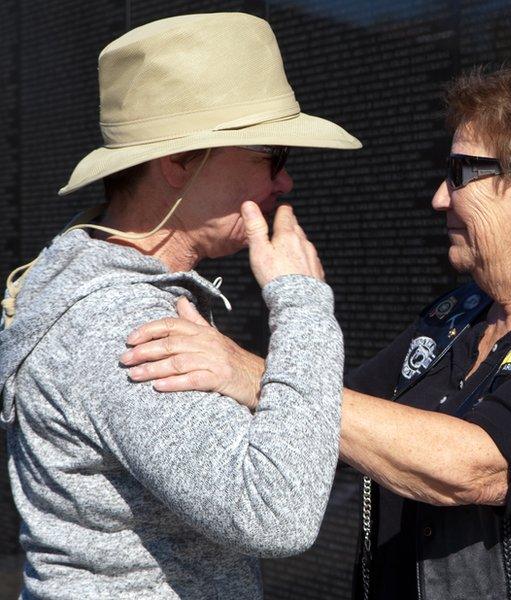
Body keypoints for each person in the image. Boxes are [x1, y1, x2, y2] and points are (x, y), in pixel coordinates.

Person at [126, 63, 511, 600]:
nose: (439, 197)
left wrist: (250, 373)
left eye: (461, 173)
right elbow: (331, 426)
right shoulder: (458, 318)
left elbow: (476, 467)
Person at [0, 13, 361, 599]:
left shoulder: (82, 281)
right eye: (272, 154)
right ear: (178, 163)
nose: (286, 181)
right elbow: (277, 513)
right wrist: (302, 304)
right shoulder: (118, 325)